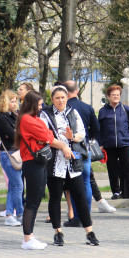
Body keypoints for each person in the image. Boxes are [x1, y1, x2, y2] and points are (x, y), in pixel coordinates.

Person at [42, 86, 99, 247]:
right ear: (52, 99)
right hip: (54, 162)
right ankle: (57, 232)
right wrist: (62, 145)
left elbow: (82, 132)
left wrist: (72, 137)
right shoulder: (45, 114)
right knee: (55, 197)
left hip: (73, 161)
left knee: (80, 195)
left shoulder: (73, 112)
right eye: (57, 98)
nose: (61, 100)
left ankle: (89, 231)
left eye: (63, 97)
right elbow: (45, 137)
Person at [15, 91, 68, 249]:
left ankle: (29, 235)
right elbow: (48, 137)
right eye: (38, 105)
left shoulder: (33, 118)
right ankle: (27, 239)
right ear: (31, 104)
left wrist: (45, 135)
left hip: (37, 162)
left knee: (36, 200)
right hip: (32, 162)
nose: (41, 107)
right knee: (32, 201)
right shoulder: (27, 119)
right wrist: (47, 137)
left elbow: (47, 133)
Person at [63, 80, 112, 222]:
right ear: (77, 91)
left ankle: (77, 215)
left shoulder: (65, 108)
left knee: (73, 181)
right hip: (84, 148)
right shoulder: (87, 107)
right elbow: (96, 129)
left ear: (65, 92)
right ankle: (87, 213)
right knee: (86, 181)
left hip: (70, 148)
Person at [98, 84, 129, 202]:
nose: (116, 97)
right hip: (109, 145)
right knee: (112, 169)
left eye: (117, 95)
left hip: (124, 143)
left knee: (128, 168)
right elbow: (99, 129)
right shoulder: (103, 111)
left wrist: (128, 132)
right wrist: (101, 143)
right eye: (113, 95)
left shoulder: (126, 109)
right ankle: (116, 191)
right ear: (108, 97)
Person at [0, 90, 23, 226]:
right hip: (9, 155)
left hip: (16, 153)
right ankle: (21, 214)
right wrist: (19, 133)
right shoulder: (2, 118)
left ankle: (9, 215)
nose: (15, 103)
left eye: (16, 101)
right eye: (12, 101)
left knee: (13, 186)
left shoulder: (14, 116)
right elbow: (13, 136)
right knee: (18, 186)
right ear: (5, 102)